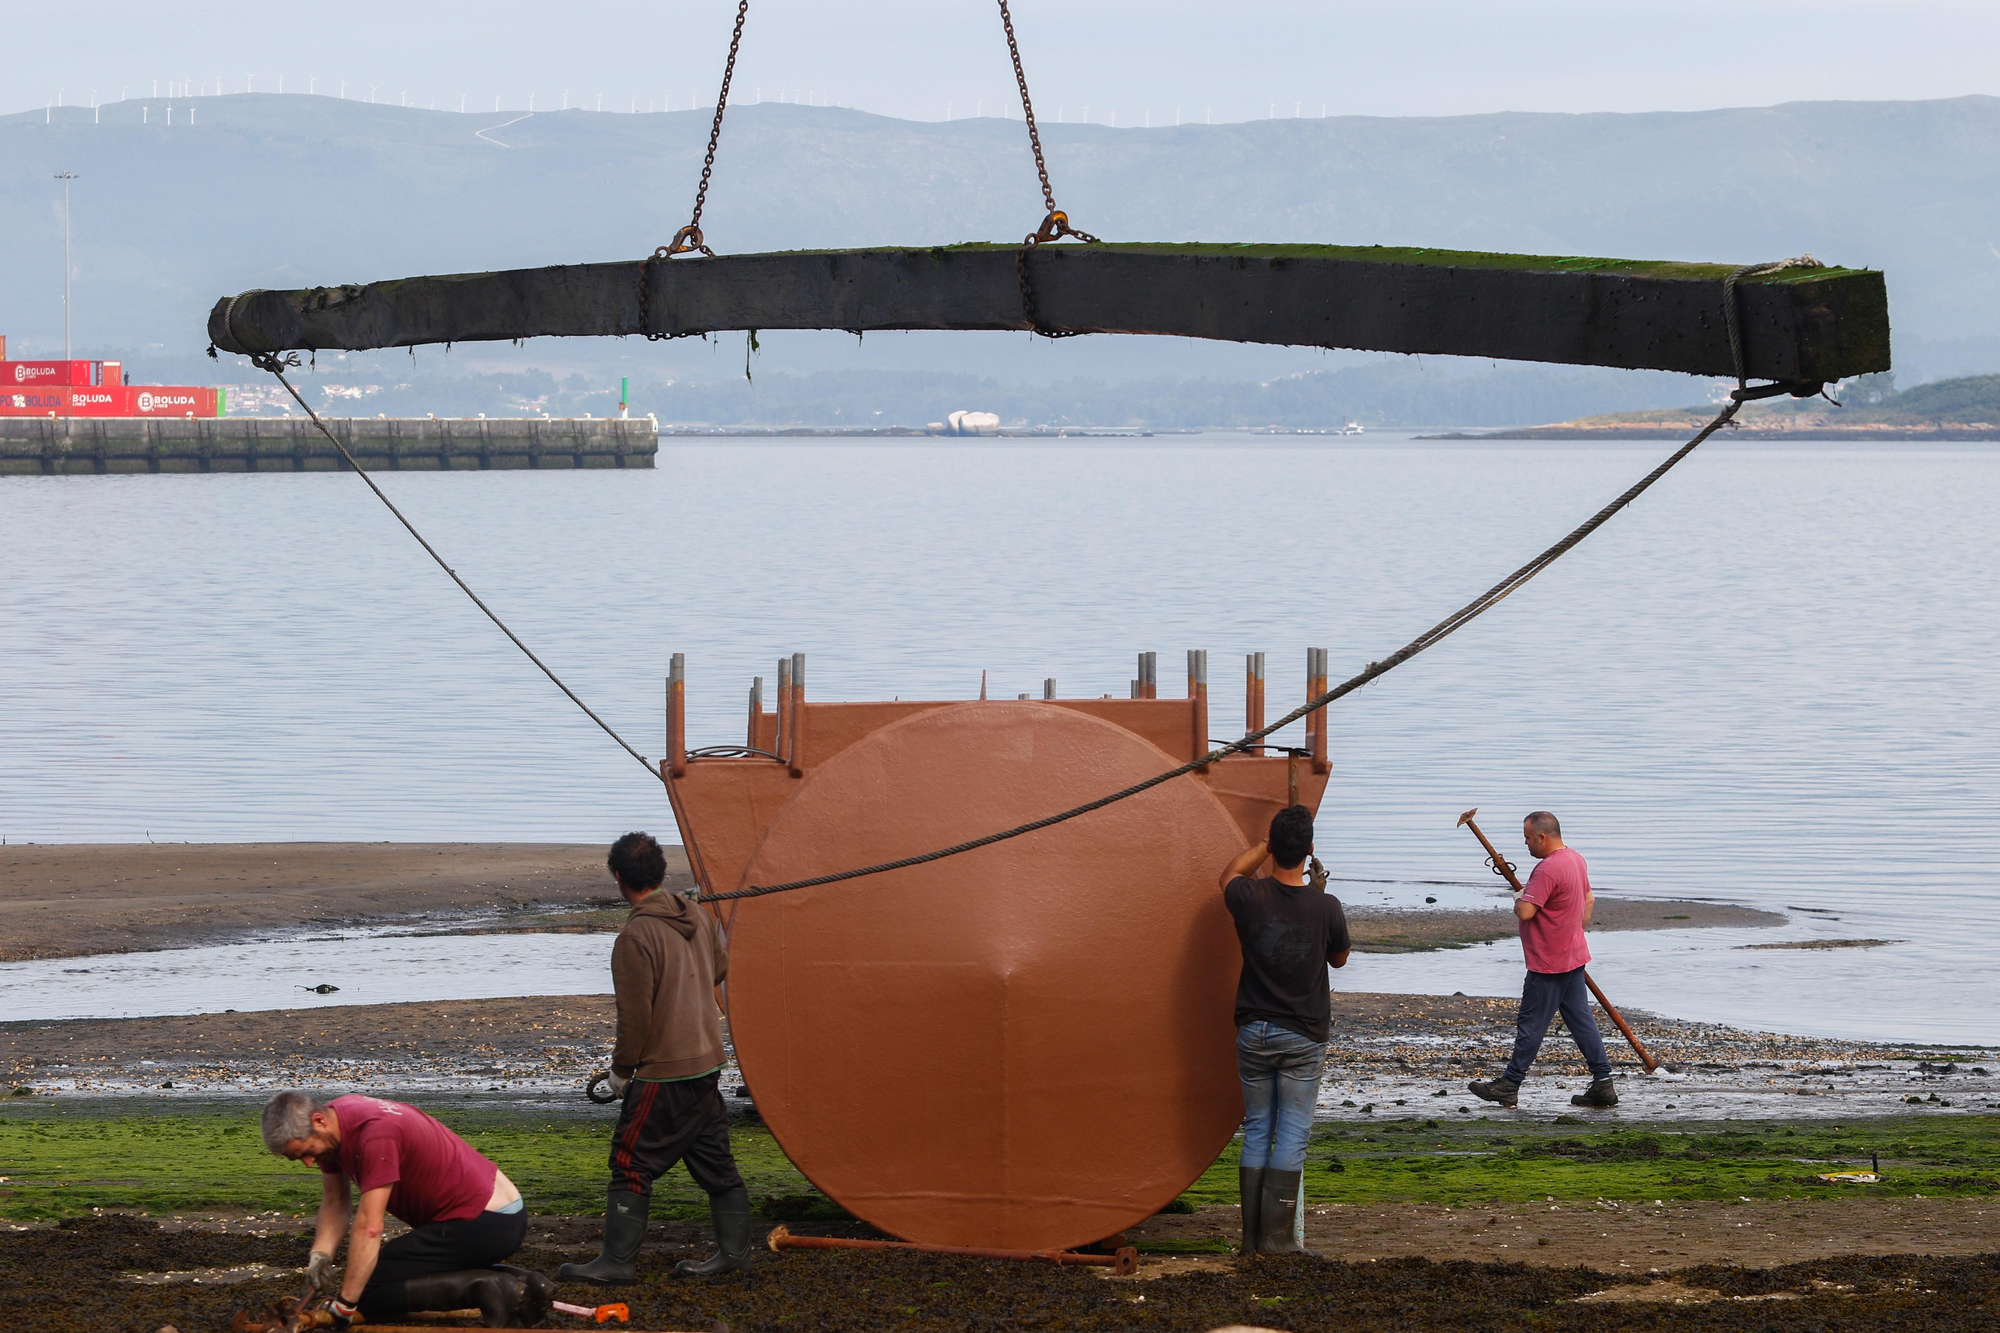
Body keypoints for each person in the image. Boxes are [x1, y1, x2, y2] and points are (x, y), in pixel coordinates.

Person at [561, 831, 748, 1284]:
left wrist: (621, 1073)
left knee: (630, 1162)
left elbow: (635, 1018)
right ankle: (734, 1255)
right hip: (707, 1061)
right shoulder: (697, 916)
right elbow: (720, 969)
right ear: (661, 873)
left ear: (619, 878)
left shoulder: (634, 936)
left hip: (665, 1071)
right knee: (716, 1164)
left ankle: (617, 1263)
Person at [261, 1091, 552, 1330]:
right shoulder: (337, 1121)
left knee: (369, 1291)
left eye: (307, 1152)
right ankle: (524, 1283)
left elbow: (370, 1227)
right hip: (493, 1216)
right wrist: (320, 1255)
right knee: (371, 1276)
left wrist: (345, 1306)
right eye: (298, 1159)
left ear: (319, 1120)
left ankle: (492, 1286)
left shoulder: (374, 1135)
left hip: (484, 1222)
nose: (309, 1163)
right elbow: (336, 1201)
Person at [1218, 803, 1351, 1256]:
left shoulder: (1249, 898)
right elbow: (1338, 958)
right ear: (1311, 850)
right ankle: (1277, 1242)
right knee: (1291, 1133)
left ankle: (1252, 1240)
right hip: (1303, 1034)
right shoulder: (1326, 905)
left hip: (1253, 1030)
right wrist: (1316, 891)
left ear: (1273, 848)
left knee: (1257, 1128)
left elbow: (1229, 874)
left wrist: (1262, 846)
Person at [1468, 811, 1618, 1110]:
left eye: (1526, 838)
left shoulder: (1547, 869)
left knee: (1531, 1023)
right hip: (1573, 955)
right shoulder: (1575, 858)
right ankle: (1603, 1084)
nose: (1525, 844)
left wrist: (1519, 898)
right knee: (1581, 1021)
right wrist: (1574, 931)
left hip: (1549, 961)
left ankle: (1509, 1085)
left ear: (1542, 837)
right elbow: (1589, 900)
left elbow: (1526, 912)